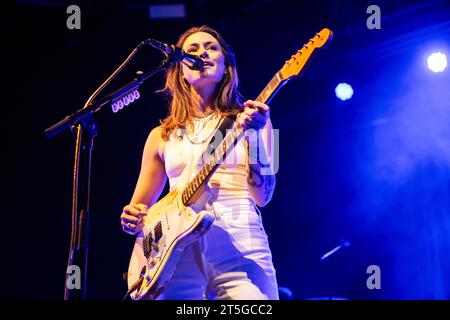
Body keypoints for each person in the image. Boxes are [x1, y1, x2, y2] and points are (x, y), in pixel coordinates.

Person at [120, 25, 278, 300]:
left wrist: (253, 134)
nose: (201, 53)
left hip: (239, 243)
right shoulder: (160, 135)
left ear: (226, 65)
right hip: (175, 253)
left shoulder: (253, 119)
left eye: (211, 47)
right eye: (191, 50)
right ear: (180, 70)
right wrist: (131, 217)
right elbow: (140, 210)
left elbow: (263, 195)